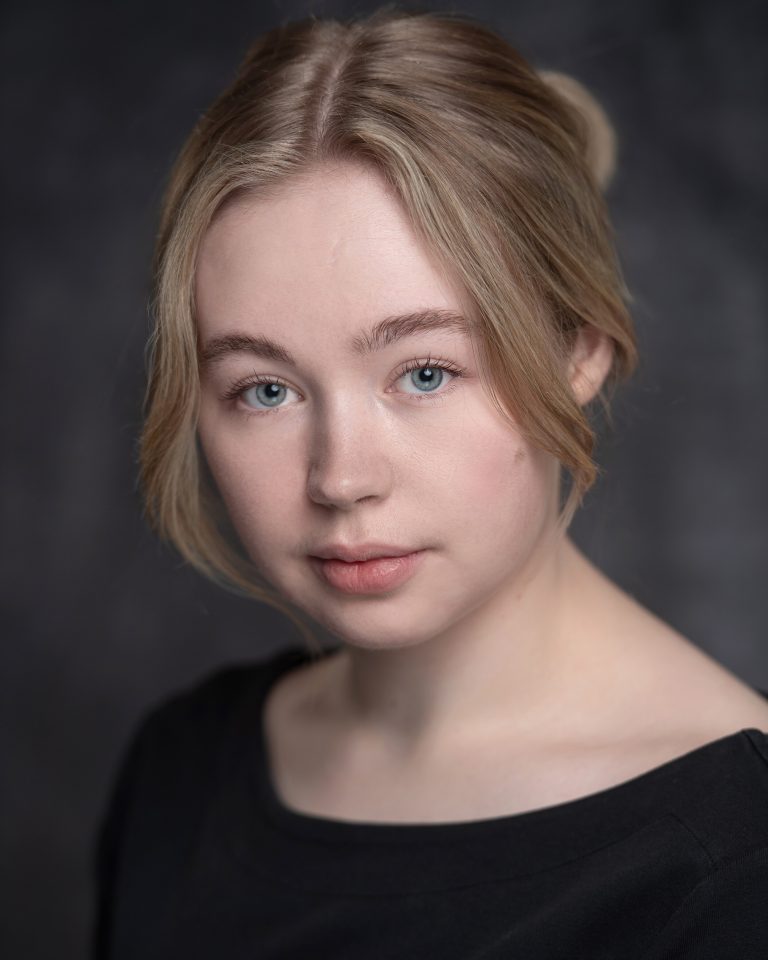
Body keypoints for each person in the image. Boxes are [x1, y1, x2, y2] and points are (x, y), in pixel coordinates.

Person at [93, 6, 768, 957]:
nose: (341, 478)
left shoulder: (739, 859)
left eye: (424, 373)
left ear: (579, 350)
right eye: (267, 389)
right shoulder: (183, 771)